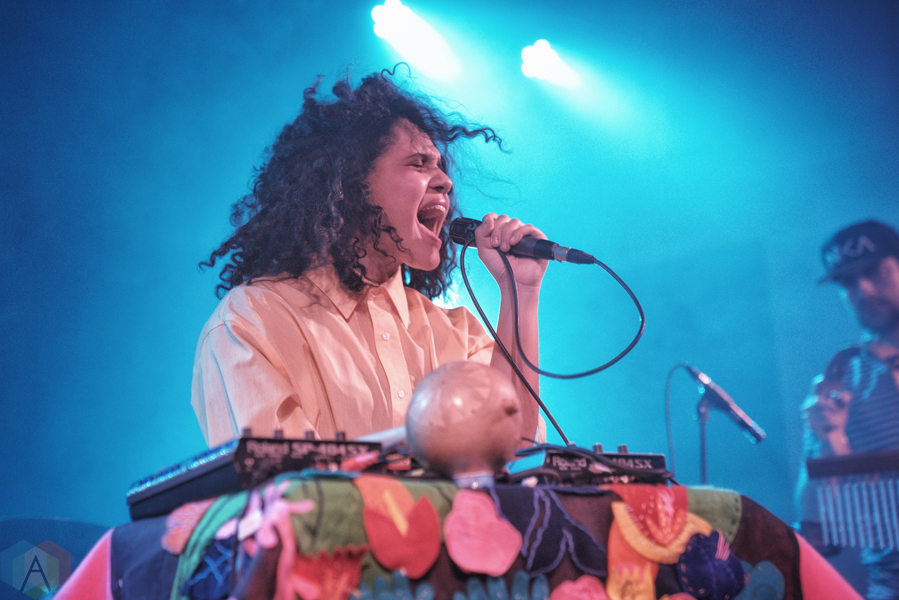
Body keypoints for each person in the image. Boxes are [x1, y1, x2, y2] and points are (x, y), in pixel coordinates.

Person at [191, 68, 546, 449]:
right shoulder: (253, 320)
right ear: (351, 182)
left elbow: (516, 453)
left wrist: (520, 293)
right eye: (418, 163)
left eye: (441, 167)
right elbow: (286, 480)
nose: (445, 181)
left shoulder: (459, 335)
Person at [796, 219, 899, 599]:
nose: (864, 290)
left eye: (875, 272)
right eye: (848, 283)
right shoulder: (839, 381)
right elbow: (817, 532)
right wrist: (829, 440)